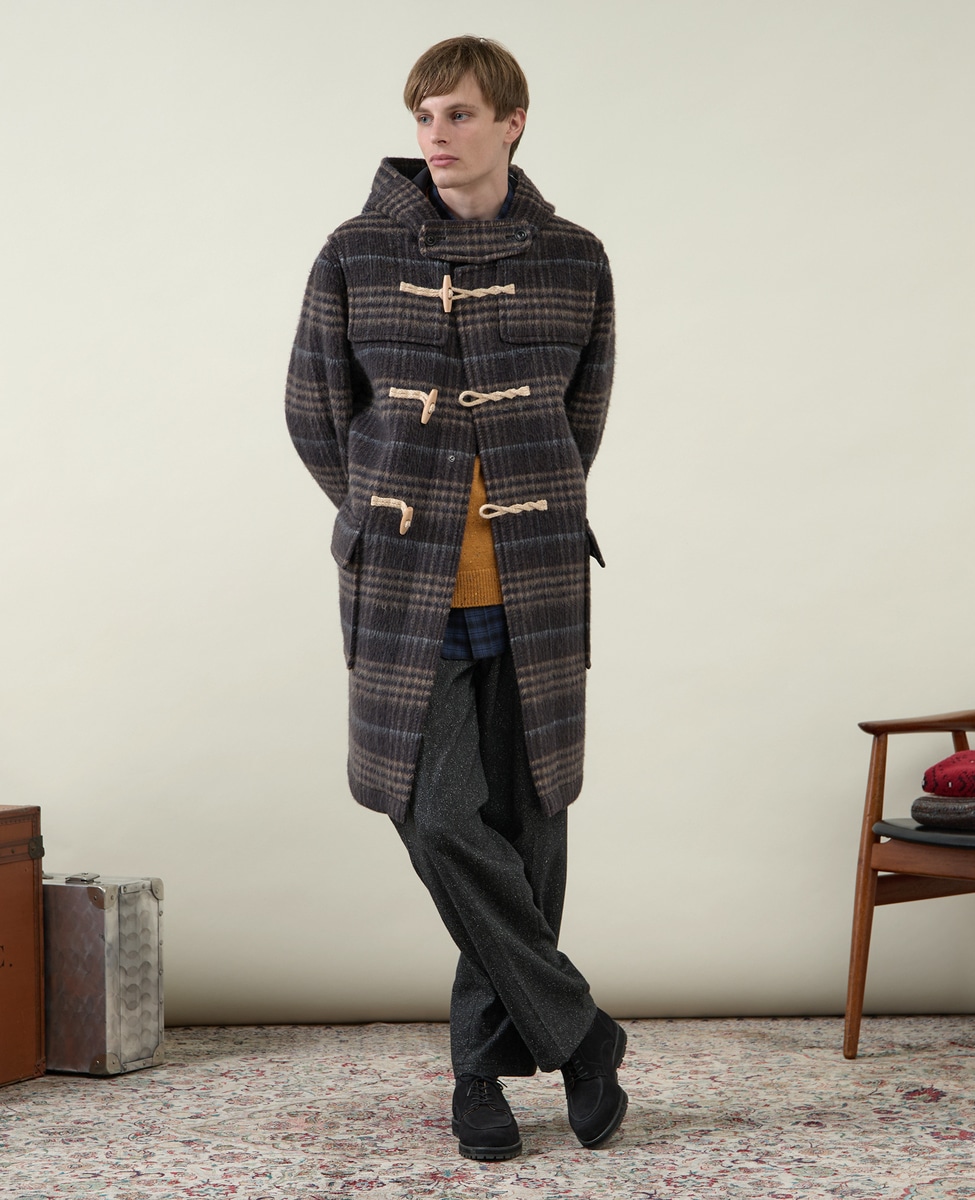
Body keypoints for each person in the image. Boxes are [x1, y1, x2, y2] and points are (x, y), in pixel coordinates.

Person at [286, 35, 624, 1161]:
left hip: (534, 585)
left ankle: (480, 1081)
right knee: (435, 815)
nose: (437, 134)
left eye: (460, 114)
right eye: (424, 115)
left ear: (512, 121)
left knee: (530, 832)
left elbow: (581, 421)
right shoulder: (354, 254)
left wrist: (520, 508)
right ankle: (583, 1036)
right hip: (405, 592)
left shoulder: (574, 258)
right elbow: (313, 412)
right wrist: (394, 516)